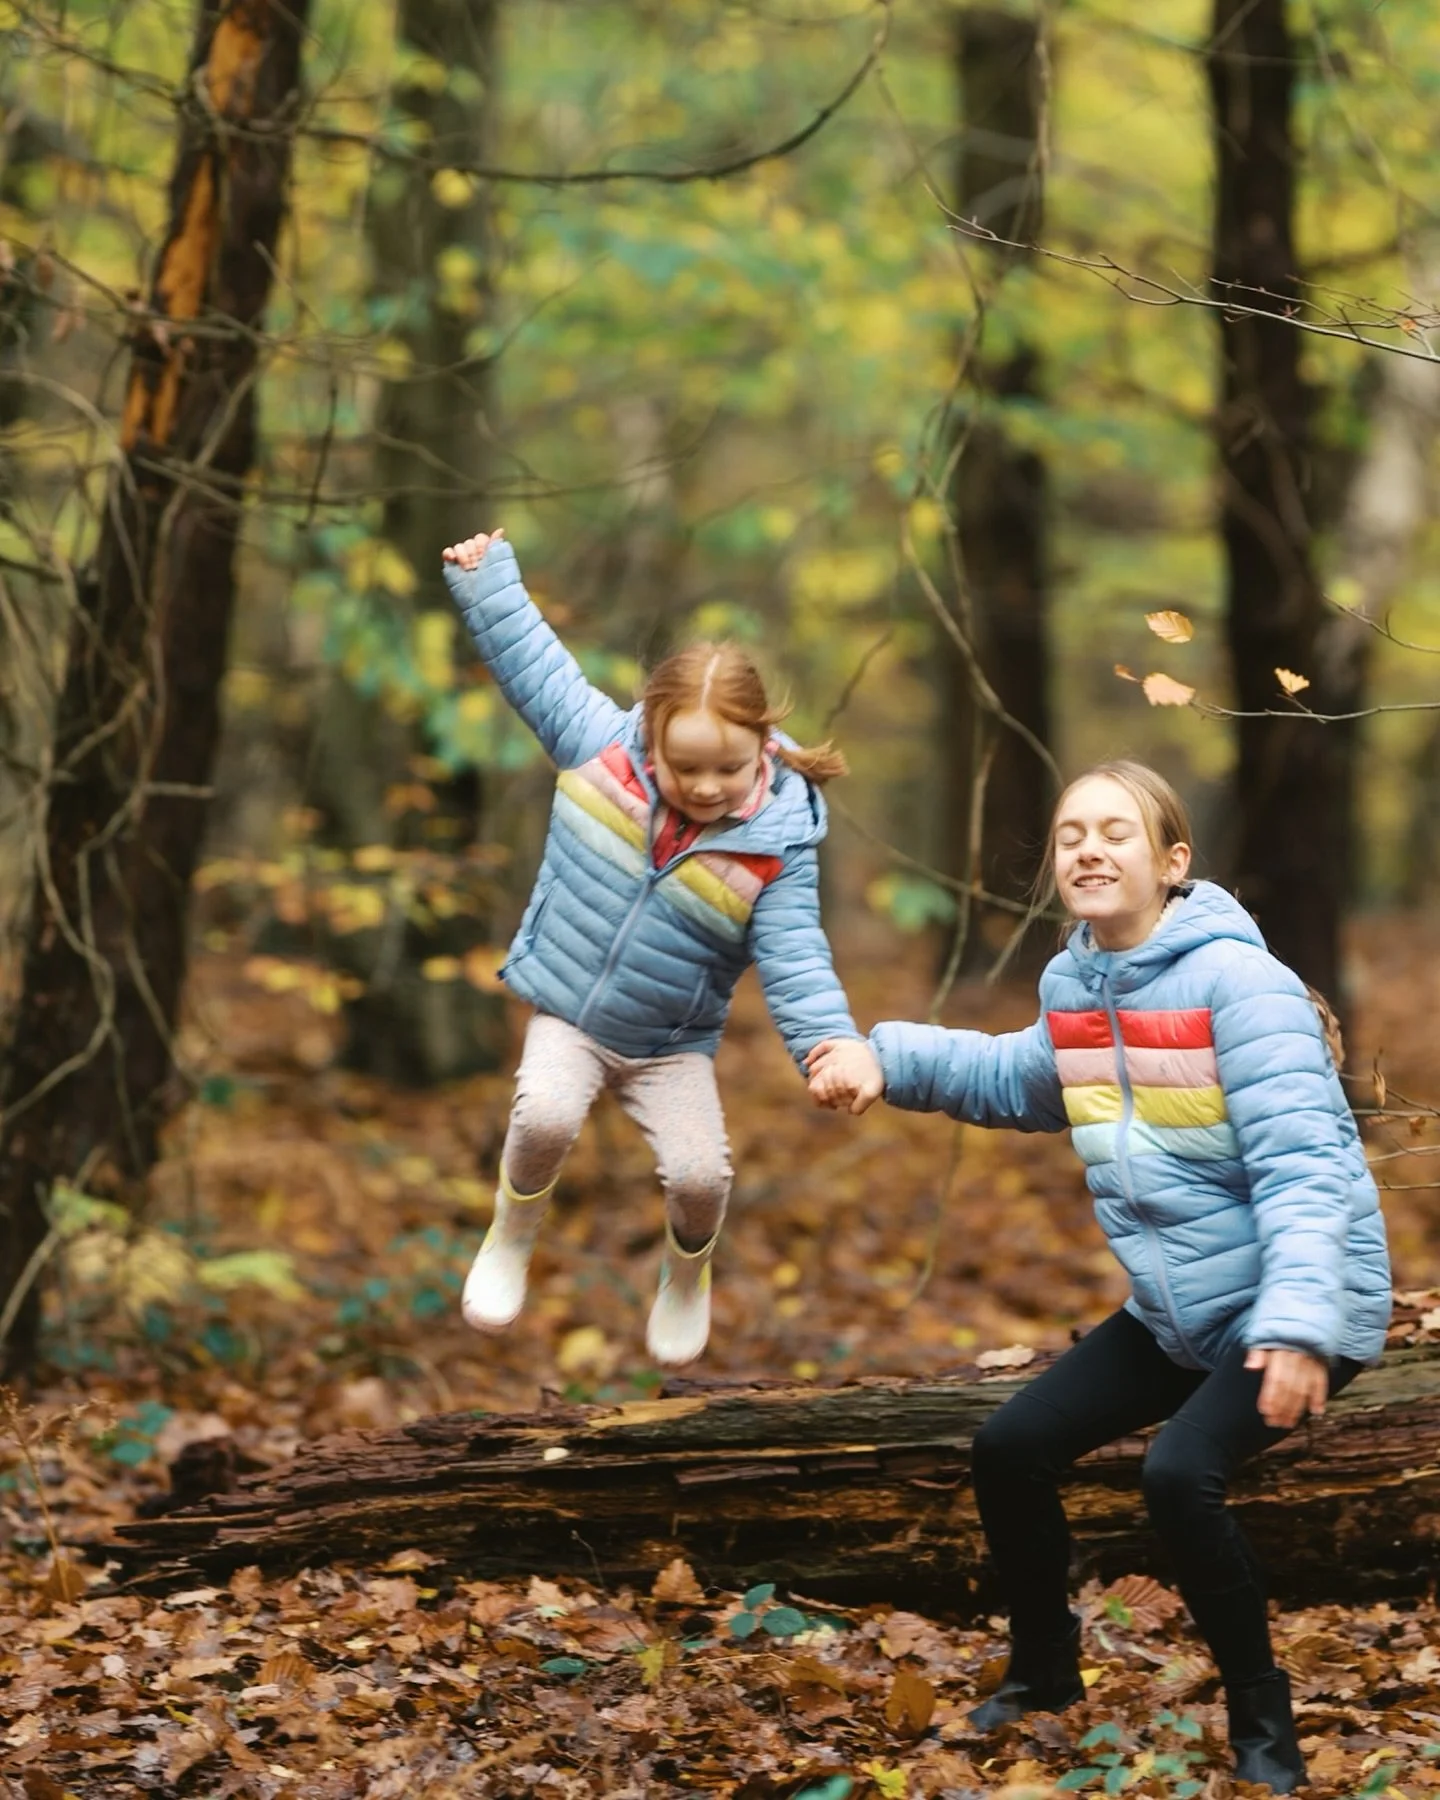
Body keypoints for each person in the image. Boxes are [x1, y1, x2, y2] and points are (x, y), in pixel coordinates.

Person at [806, 759, 1391, 1794]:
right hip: (1181, 1310)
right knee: (1011, 1446)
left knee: (1178, 1475)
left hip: (1302, 1298)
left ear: (1172, 863)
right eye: (1073, 832)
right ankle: (1043, 1676)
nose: (1087, 848)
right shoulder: (1077, 983)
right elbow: (1023, 1078)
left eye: (1116, 833)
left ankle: (1267, 1727)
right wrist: (884, 1061)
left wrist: (1297, 1329)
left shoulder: (1239, 988)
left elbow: (1307, 1169)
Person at [441, 528, 864, 1366]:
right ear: (653, 739)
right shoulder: (599, 749)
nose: (706, 788)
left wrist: (828, 1043)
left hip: (672, 1048)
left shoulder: (773, 848)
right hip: (569, 1013)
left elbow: (797, 958)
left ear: (763, 749)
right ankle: (513, 1232)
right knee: (547, 1114)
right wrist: (488, 583)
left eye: (729, 771)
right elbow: (536, 665)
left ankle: (685, 1275)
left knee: (703, 1178)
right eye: (686, 769)